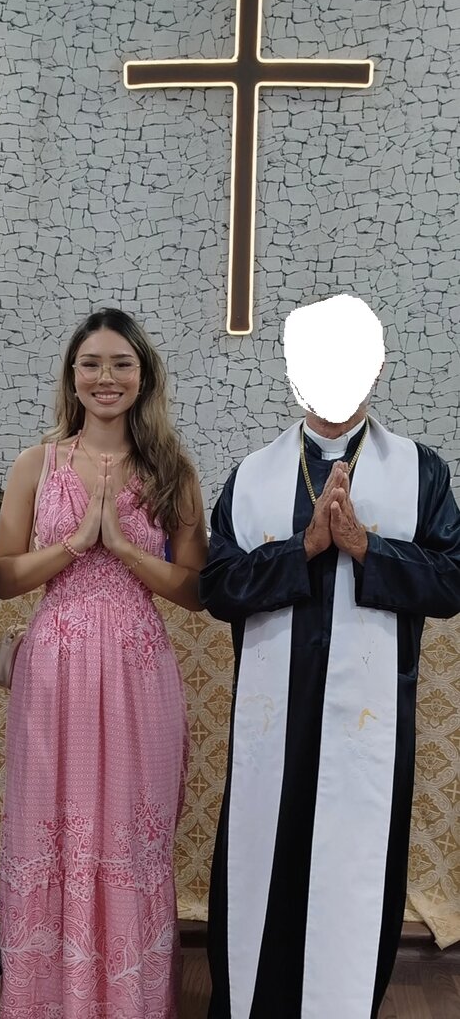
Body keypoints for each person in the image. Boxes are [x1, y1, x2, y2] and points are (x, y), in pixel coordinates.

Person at [200, 294, 460, 1019]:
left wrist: (365, 548)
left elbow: (451, 581)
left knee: (353, 873)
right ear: (291, 369)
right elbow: (218, 586)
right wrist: (305, 547)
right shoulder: (252, 474)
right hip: (273, 726)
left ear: (376, 367)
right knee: (264, 867)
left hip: (367, 727)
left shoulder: (420, 472)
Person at [0, 308, 208, 1018]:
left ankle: (127, 999)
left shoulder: (172, 470)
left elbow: (196, 590)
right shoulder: (37, 464)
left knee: (131, 830)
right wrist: (76, 543)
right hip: (54, 669)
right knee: (51, 825)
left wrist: (122, 547)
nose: (104, 377)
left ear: (143, 376)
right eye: (90, 363)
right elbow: (3, 576)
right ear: (72, 375)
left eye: (120, 363)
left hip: (138, 669)